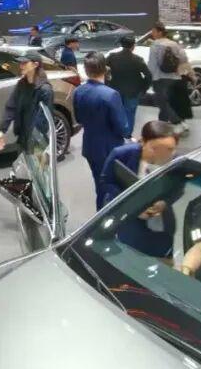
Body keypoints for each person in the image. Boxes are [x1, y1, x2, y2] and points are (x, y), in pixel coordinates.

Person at [96, 121, 180, 257]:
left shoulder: (176, 162)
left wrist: (164, 203)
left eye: (169, 149)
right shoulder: (121, 154)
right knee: (130, 257)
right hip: (128, 223)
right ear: (142, 142)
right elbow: (106, 181)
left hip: (160, 226)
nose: (161, 155)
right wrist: (132, 205)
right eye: (155, 149)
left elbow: (178, 186)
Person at [73, 53, 129, 205]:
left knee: (99, 184)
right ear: (105, 69)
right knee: (111, 188)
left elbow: (78, 119)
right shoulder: (111, 95)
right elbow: (122, 128)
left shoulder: (78, 91)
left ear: (86, 70)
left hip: (90, 147)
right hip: (110, 149)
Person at [0, 52, 56, 154]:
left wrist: (34, 143)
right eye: (21, 63)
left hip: (36, 142)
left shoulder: (45, 90)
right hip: (22, 138)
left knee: (36, 163)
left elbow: (44, 122)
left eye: (25, 63)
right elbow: (11, 107)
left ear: (35, 65)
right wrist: (2, 131)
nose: (21, 66)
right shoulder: (22, 84)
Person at [105, 34, 151, 136]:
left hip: (115, 89)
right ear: (133, 46)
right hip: (133, 91)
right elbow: (148, 76)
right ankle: (127, 135)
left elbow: (102, 69)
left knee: (116, 112)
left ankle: (116, 133)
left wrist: (107, 83)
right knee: (130, 114)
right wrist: (143, 88)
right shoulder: (138, 59)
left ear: (121, 45)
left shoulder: (112, 57)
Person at [147, 23, 187, 129]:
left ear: (160, 32)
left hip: (159, 78)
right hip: (174, 77)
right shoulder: (174, 44)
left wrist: (150, 77)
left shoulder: (155, 45)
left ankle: (178, 121)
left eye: (154, 31)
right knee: (169, 101)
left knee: (162, 102)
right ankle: (162, 124)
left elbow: (152, 64)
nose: (152, 33)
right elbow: (183, 59)